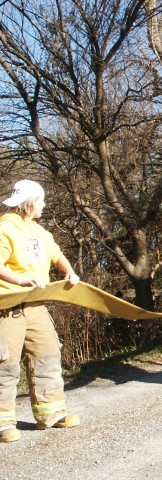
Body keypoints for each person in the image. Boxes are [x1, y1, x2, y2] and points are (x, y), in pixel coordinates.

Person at [0, 179, 80, 443]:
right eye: (42, 201)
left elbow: (55, 254)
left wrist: (69, 272)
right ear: (31, 201)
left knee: (46, 354)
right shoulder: (5, 228)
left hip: (36, 305)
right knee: (5, 364)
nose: (44, 206)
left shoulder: (40, 232)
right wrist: (19, 280)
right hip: (7, 307)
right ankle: (3, 423)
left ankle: (51, 413)